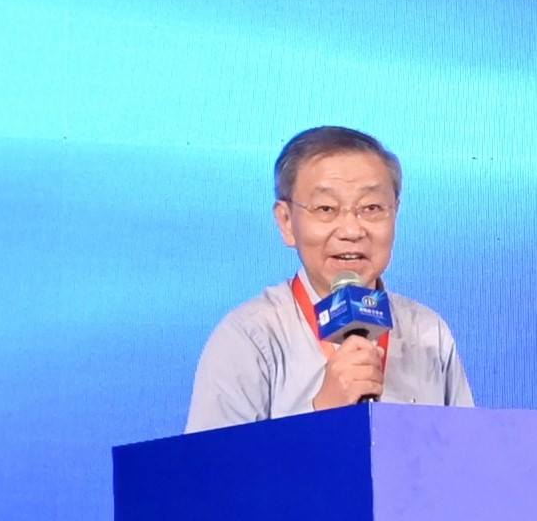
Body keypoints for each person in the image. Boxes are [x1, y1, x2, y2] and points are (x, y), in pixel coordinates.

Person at [186, 126, 479, 429]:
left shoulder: (428, 331)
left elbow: (468, 451)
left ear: (395, 213)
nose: (351, 231)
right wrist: (324, 411)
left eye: (372, 208)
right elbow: (212, 460)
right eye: (326, 209)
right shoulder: (248, 337)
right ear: (286, 222)